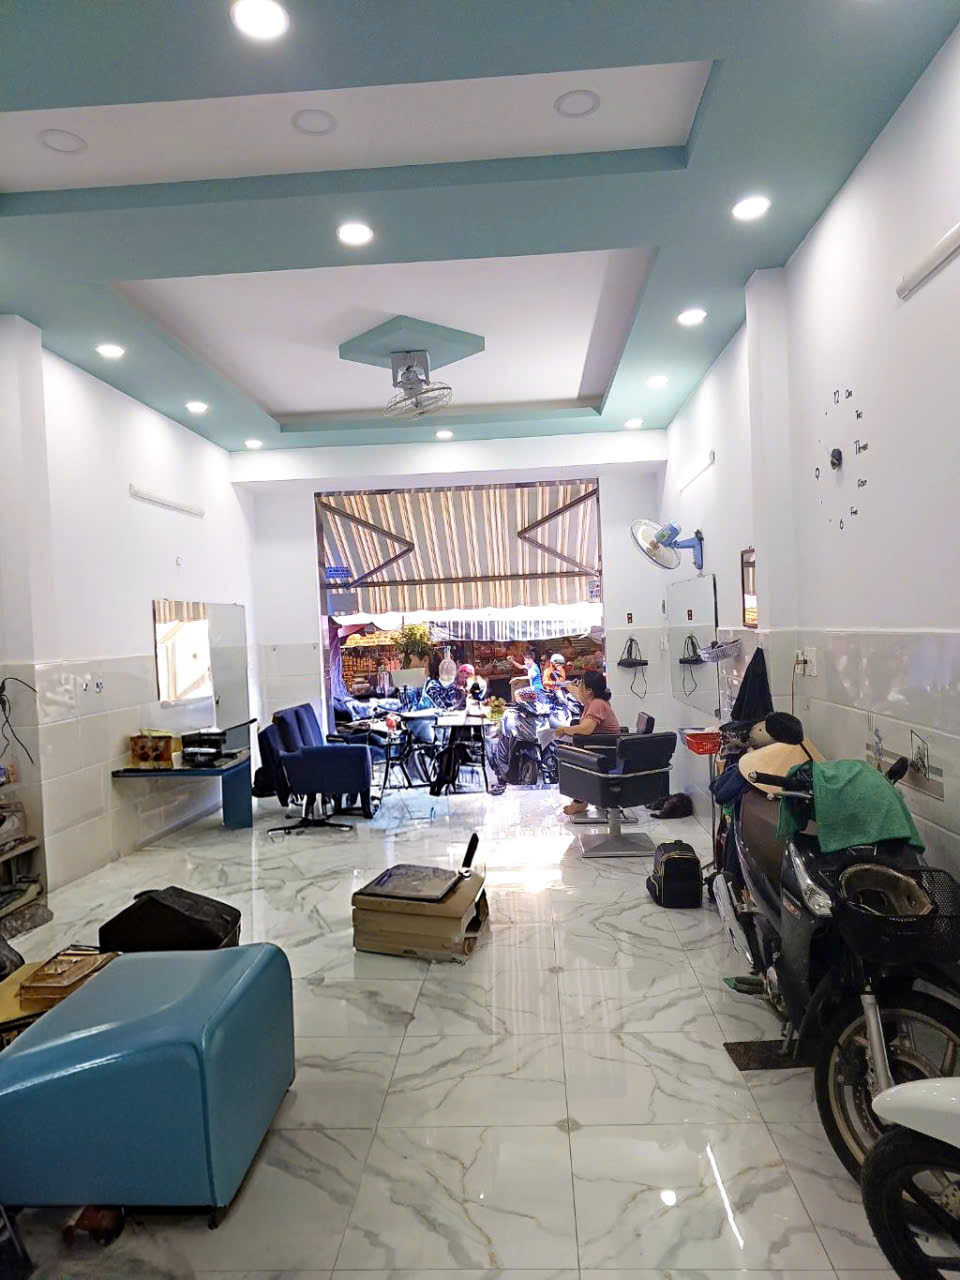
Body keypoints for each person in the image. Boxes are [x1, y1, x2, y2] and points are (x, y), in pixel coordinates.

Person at [554, 670, 621, 816]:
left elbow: (586, 729)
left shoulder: (597, 704)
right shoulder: (593, 701)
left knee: (568, 756)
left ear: (589, 690)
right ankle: (581, 799)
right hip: (601, 749)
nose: (579, 687)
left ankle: (580, 802)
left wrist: (565, 729)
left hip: (604, 753)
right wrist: (566, 685)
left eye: (581, 685)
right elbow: (579, 696)